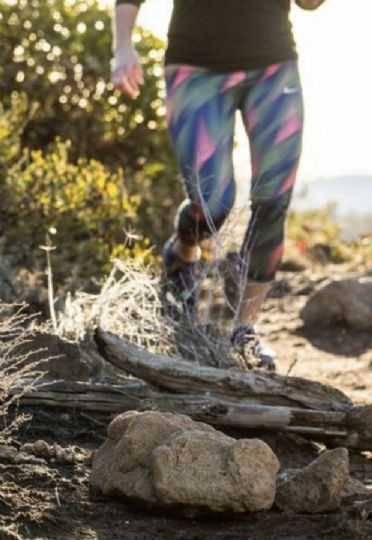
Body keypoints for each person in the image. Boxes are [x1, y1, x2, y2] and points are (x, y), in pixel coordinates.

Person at [110, 0, 325, 369]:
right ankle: (181, 253)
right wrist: (123, 47)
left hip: (273, 68)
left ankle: (246, 330)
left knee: (273, 201)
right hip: (194, 69)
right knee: (211, 203)